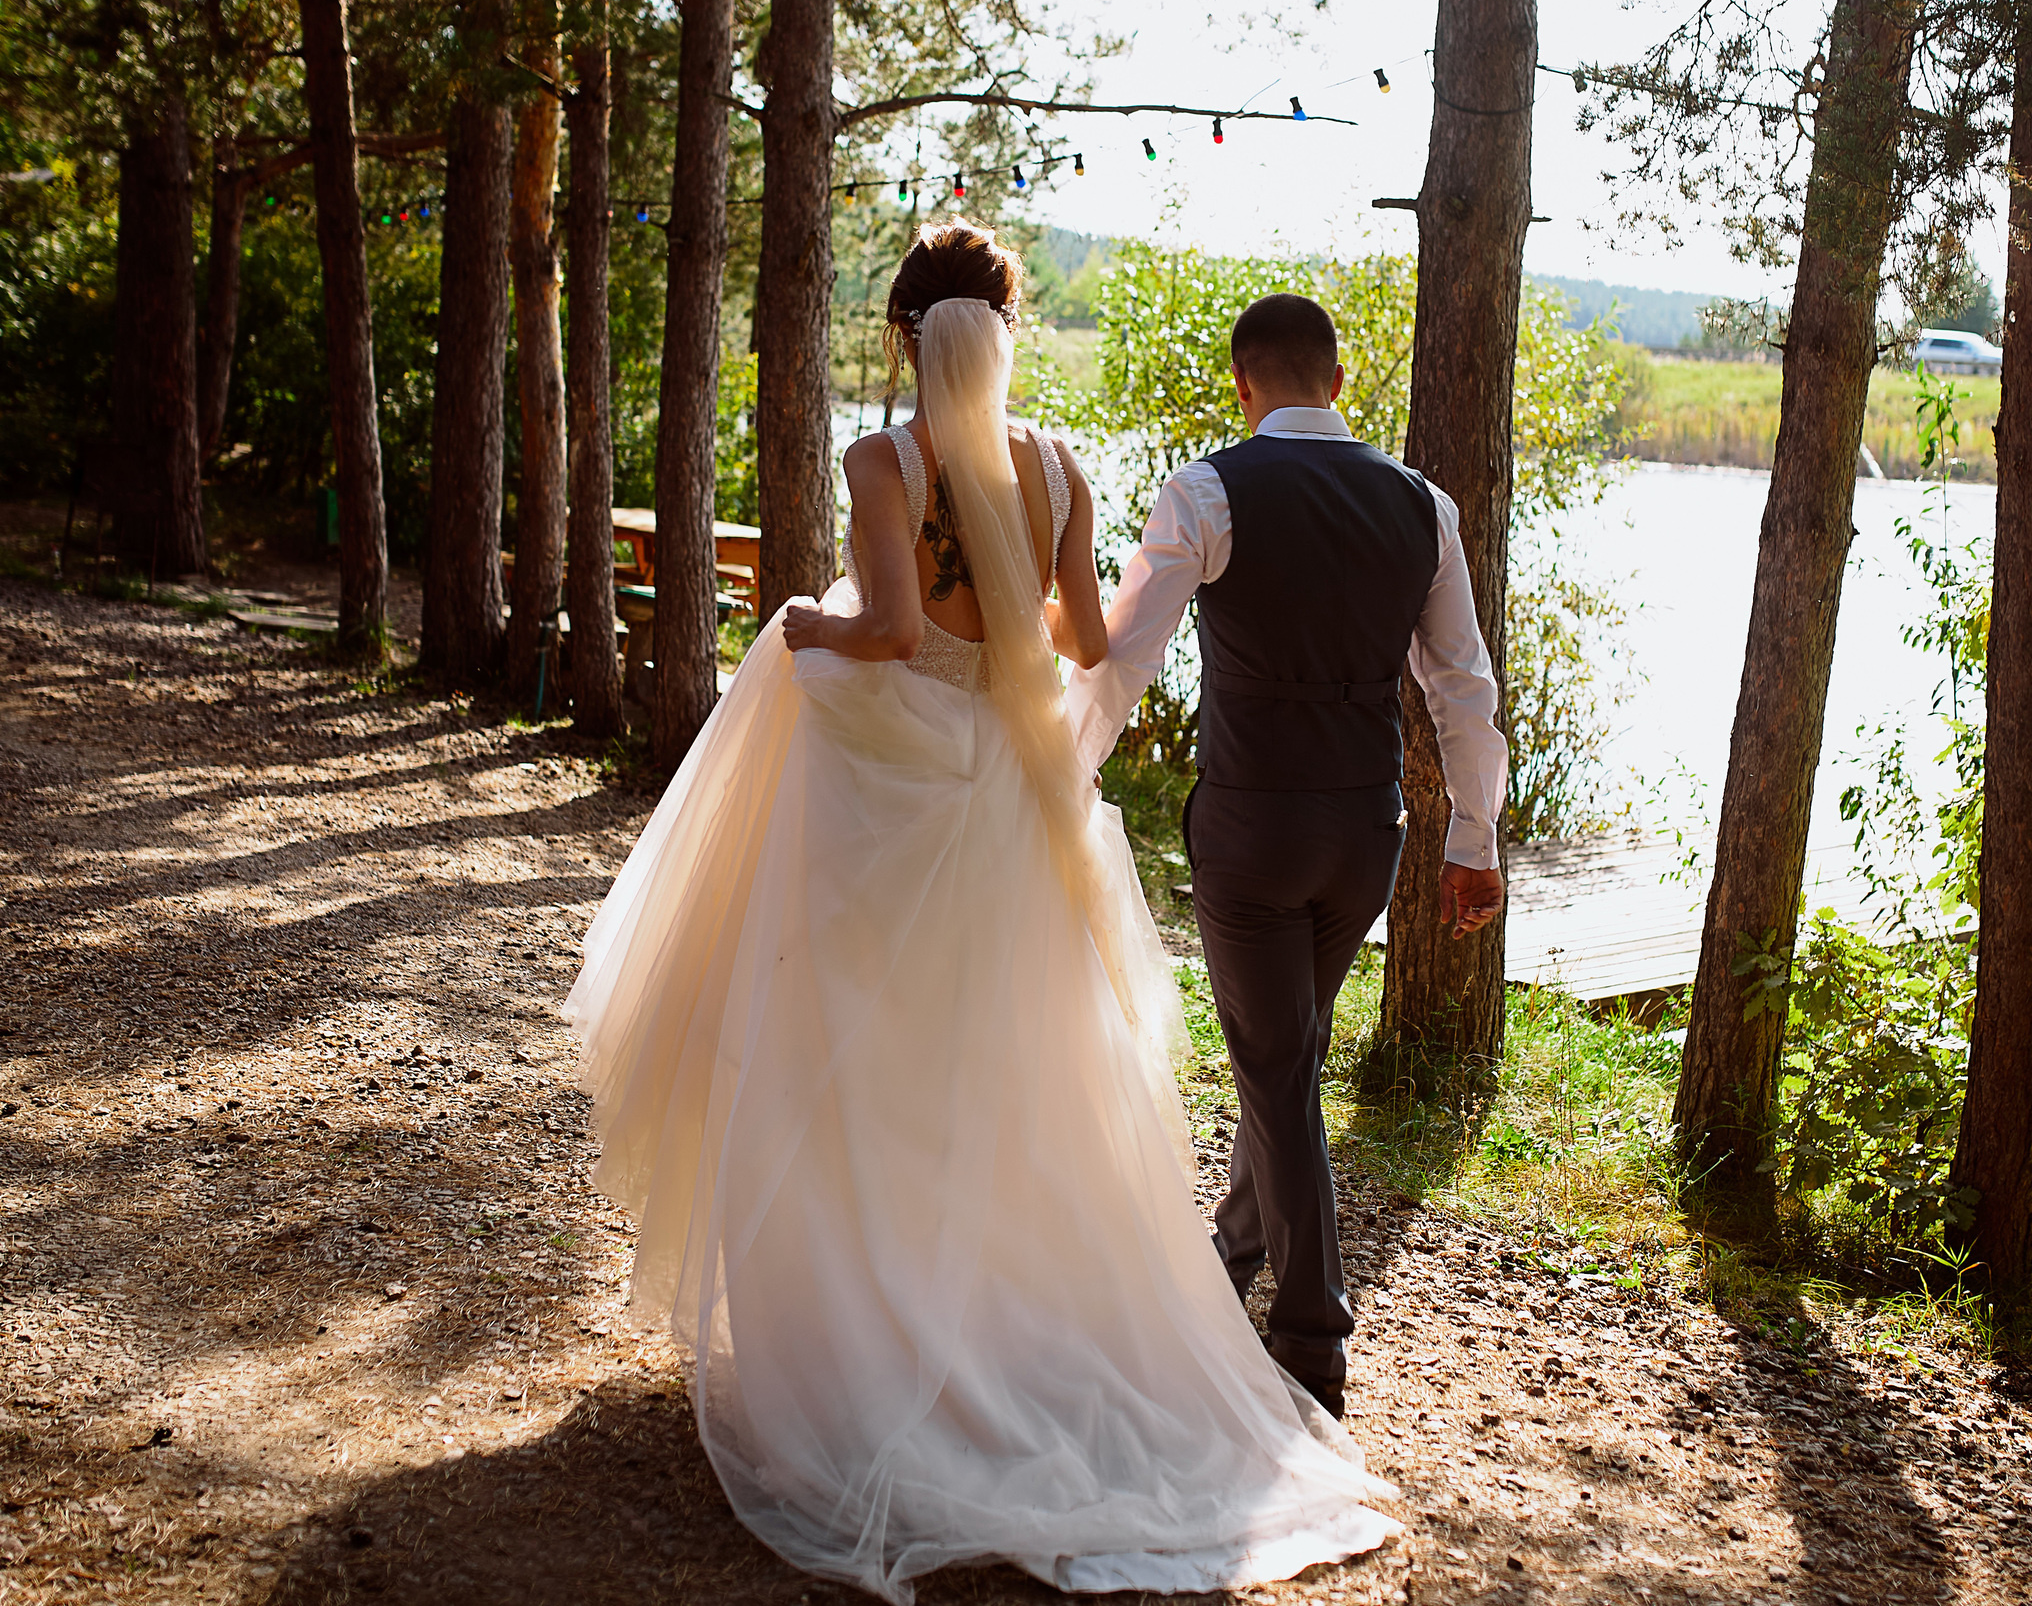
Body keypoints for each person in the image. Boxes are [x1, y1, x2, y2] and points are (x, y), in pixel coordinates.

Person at [565, 223, 1398, 1603]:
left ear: (904, 335)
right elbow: (1077, 640)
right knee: (1009, 1072)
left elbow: (888, 629)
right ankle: (1000, 1330)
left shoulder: (883, 461)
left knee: (858, 1066)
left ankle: (859, 1341)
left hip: (893, 796)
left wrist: (794, 625)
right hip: (1011, 810)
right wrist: (1017, 608)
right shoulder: (1059, 468)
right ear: (1005, 333)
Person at [1064, 293, 1508, 1420]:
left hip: (1252, 831)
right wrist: (1474, 838)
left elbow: (1127, 658)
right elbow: (1461, 684)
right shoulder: (1423, 506)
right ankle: (1230, 1253)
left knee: (1274, 1065)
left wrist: (1062, 772)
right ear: (1340, 383)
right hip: (1366, 836)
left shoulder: (1206, 490)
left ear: (1242, 383)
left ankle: (1311, 1335)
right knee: (1288, 1053)